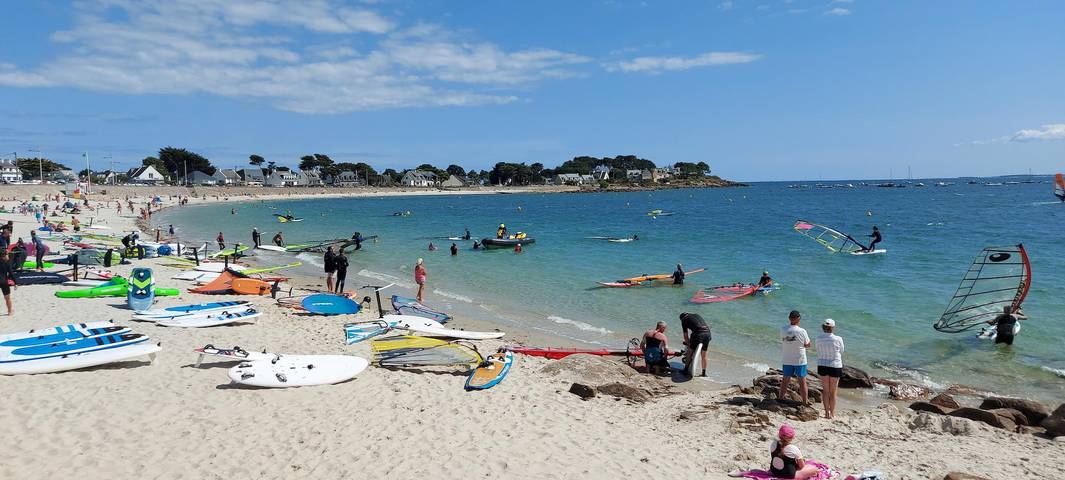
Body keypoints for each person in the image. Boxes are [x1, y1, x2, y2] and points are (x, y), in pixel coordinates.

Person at [779, 310, 811, 404]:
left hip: (787, 358)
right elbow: (808, 344)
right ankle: (805, 401)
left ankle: (781, 397)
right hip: (799, 360)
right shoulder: (802, 331)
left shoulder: (783, 329)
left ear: (789, 318)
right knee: (802, 381)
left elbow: (783, 340)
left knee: (785, 379)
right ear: (798, 319)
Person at [815, 319, 844, 419]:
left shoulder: (818, 338)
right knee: (833, 391)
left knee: (825, 391)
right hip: (835, 365)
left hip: (822, 364)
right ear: (833, 327)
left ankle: (826, 412)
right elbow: (841, 351)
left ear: (823, 327)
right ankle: (832, 414)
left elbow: (817, 350)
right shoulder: (838, 339)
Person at [679, 312, 711, 377]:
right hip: (708, 333)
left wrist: (688, 345)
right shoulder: (696, 314)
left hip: (698, 334)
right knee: (704, 355)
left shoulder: (684, 320)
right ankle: (704, 373)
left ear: (682, 319)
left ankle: (685, 370)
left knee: (690, 352)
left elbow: (685, 336)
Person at [0, 250, 15, 315]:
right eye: (7, 255)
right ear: (3, 256)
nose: (8, 256)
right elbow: (11, 273)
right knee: (7, 298)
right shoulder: (6, 263)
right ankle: (10, 311)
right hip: (3, 282)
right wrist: (15, 282)